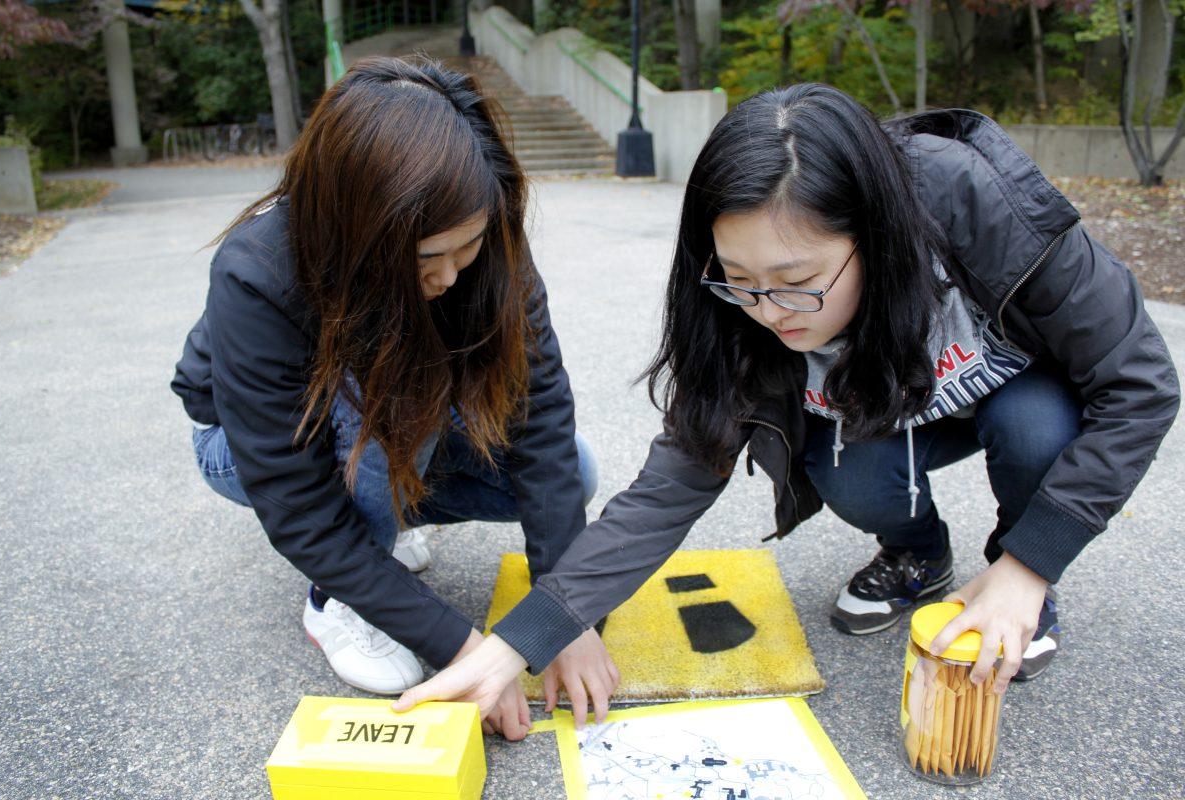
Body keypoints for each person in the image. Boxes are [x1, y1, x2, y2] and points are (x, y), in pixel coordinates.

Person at [392, 83, 1179, 724]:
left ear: (875, 233)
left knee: (1038, 424)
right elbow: (671, 487)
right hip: (878, 406)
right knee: (845, 472)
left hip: (1004, 392)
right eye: (740, 279)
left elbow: (1139, 378)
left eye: (800, 283)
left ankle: (1016, 580)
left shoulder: (978, 204)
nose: (769, 310)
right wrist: (515, 643)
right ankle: (920, 553)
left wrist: (1028, 565)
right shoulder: (741, 305)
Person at [170, 56, 616, 741]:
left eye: (463, 249)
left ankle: (386, 532)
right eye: (422, 259)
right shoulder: (258, 273)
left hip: (397, 424)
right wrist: (463, 649)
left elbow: (541, 414)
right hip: (246, 448)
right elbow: (292, 500)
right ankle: (336, 600)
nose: (447, 276)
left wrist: (563, 613)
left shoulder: (483, 227)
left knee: (575, 469)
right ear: (356, 233)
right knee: (389, 398)